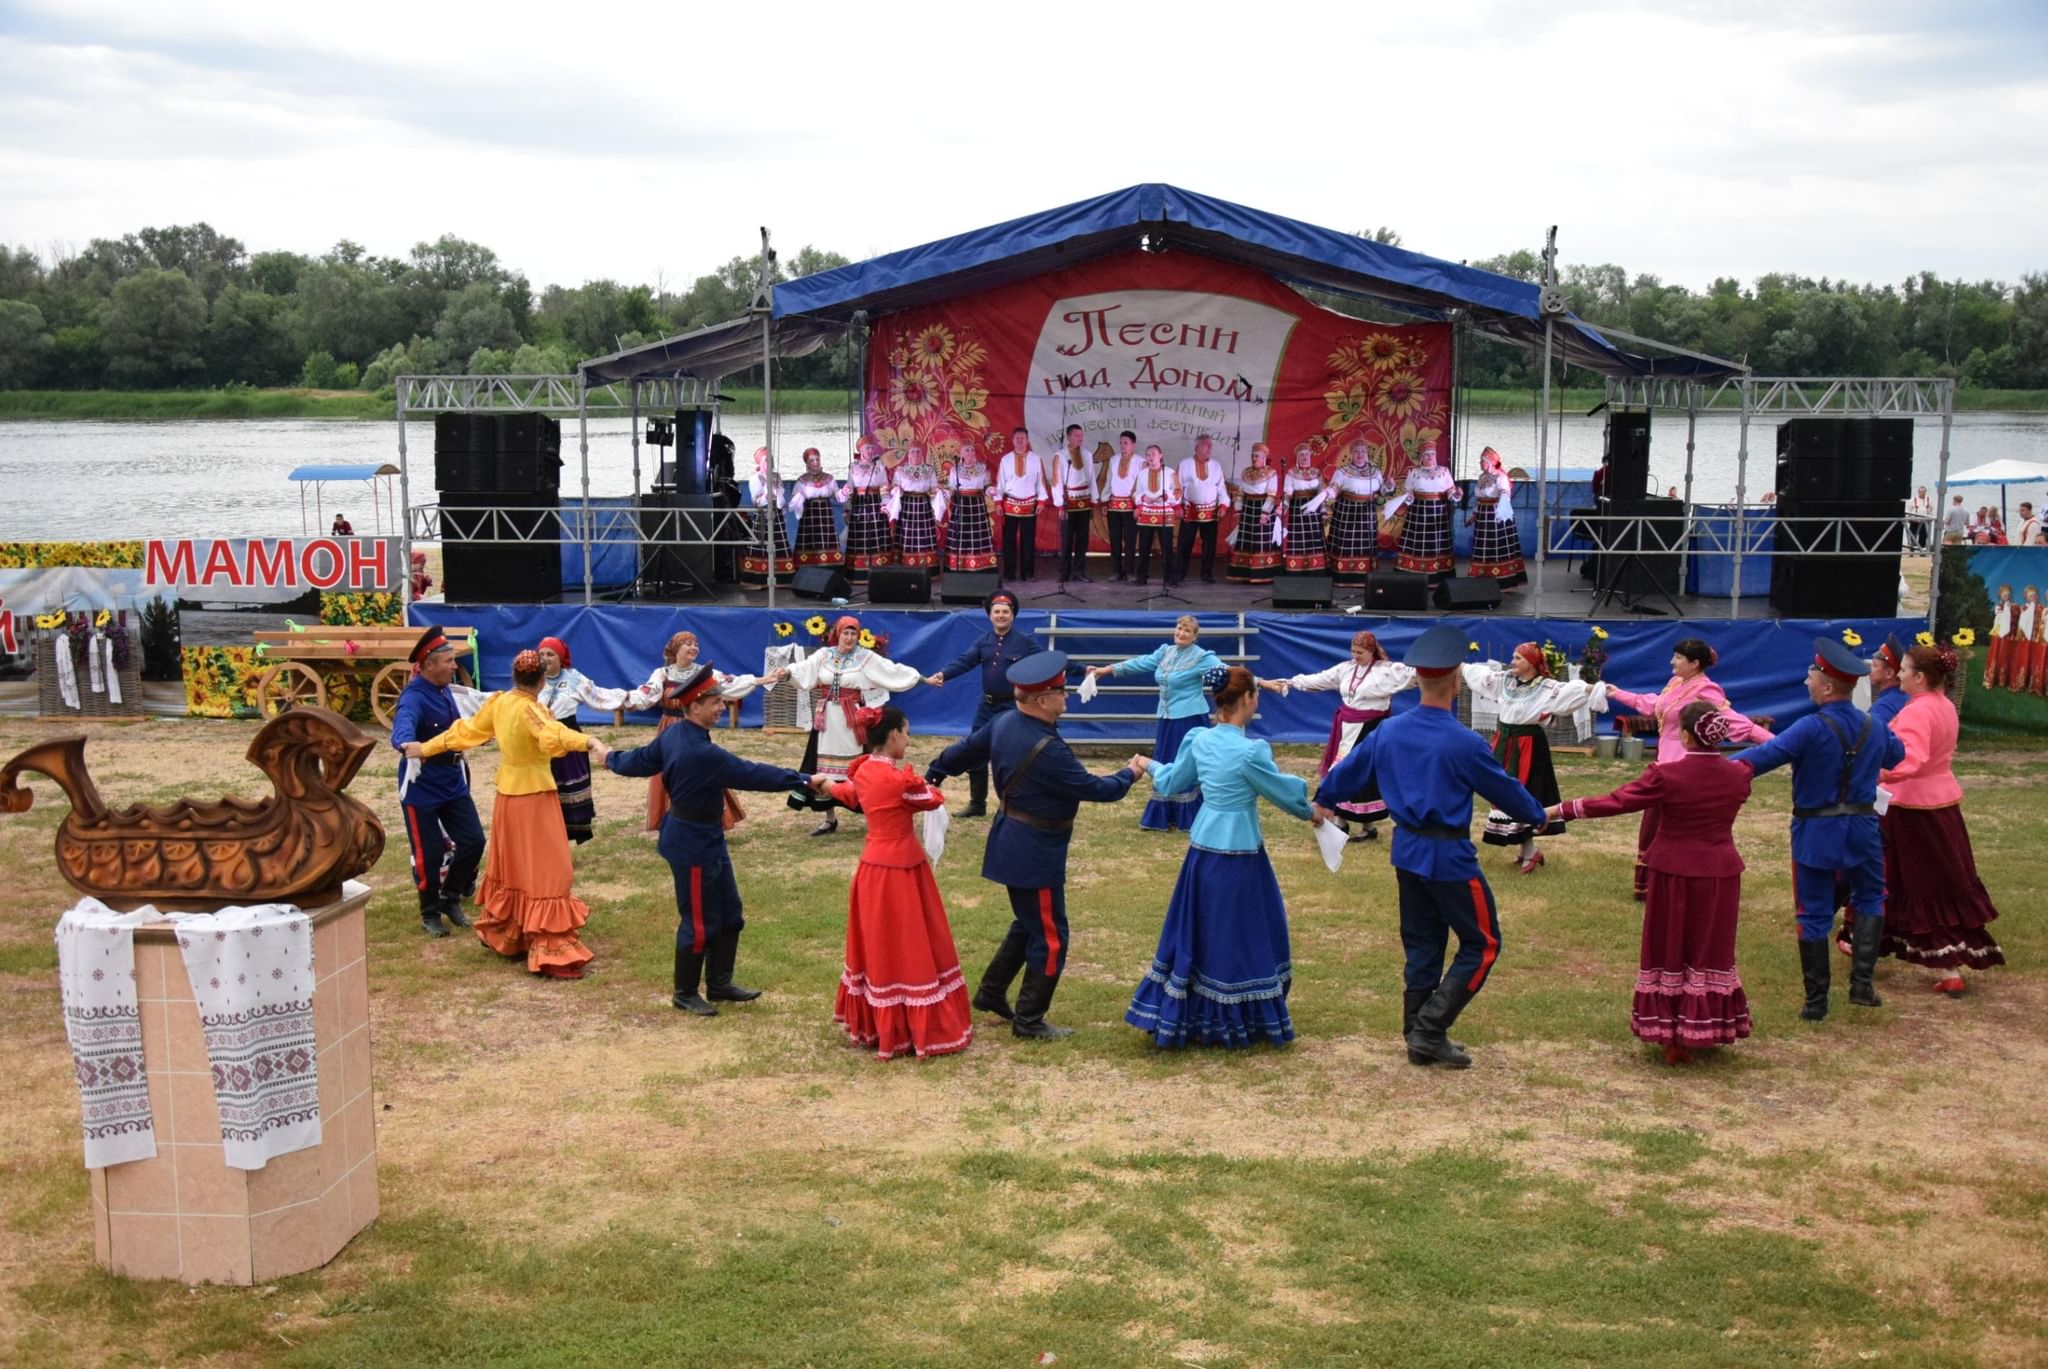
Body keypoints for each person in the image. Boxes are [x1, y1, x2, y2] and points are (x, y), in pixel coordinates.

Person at [1312, 624, 1546, 1069]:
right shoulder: (1463, 742)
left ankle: (1416, 1035)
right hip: (1449, 857)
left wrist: (1323, 798)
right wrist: (1538, 814)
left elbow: (1348, 772)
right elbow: (1506, 790)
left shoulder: (1390, 731)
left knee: (1423, 945)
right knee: (1484, 943)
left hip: (1407, 852)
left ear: (1417, 680)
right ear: (1457, 681)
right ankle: (1430, 1029)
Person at [925, 652, 1144, 1039]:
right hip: (1034, 850)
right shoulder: (1048, 750)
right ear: (1042, 700)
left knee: (1028, 924)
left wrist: (936, 770)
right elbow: (1096, 789)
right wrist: (1130, 773)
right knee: (1051, 936)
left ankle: (993, 992)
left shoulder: (1004, 722)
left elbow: (964, 751)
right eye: (1060, 691)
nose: (1067, 696)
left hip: (1013, 839)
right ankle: (1029, 1020)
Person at [602, 663, 824, 1015]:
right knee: (700, 920)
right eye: (715, 703)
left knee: (730, 913)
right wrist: (805, 780)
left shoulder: (677, 734)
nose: (721, 707)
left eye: (720, 701)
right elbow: (752, 773)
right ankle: (685, 992)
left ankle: (720, 984)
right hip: (691, 843)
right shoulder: (699, 751)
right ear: (694, 706)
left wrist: (610, 758)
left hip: (706, 837)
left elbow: (641, 760)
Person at [1548, 702, 1755, 1063]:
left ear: (1687, 735)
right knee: (1710, 946)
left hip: (1673, 871)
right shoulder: (1738, 776)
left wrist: (1564, 809)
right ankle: (1704, 1025)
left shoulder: (1666, 776)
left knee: (1670, 944)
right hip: (1721, 872)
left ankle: (1671, 1031)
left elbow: (1618, 801)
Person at [1126, 666, 1319, 1049]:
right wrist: (1312, 810)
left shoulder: (1199, 740)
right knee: (1239, 934)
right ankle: (1234, 1016)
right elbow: (1284, 793)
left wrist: (1148, 764)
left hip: (1201, 851)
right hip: (1240, 853)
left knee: (1201, 929)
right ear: (1247, 698)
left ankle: (1192, 1011)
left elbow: (1171, 782)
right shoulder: (1250, 752)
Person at [1734, 637, 1904, 1021]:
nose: (1806, 681)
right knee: (1872, 897)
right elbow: (1898, 753)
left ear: (1828, 685)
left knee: (1812, 912)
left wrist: (1708, 768)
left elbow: (1761, 759)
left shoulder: (1809, 727)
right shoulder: (1873, 725)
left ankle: (1816, 1003)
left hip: (1816, 829)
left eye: (1811, 675)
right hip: (1863, 826)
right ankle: (1861, 985)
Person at [405, 649, 599, 979]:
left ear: (514, 676)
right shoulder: (529, 709)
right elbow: (553, 735)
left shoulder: (500, 703)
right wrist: (589, 742)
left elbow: (463, 732)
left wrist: (425, 747)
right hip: (534, 797)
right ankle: (549, 945)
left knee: (516, 866)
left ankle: (512, 931)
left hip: (508, 796)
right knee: (548, 869)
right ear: (540, 680)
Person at [821, 705, 974, 1058]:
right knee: (911, 940)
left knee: (878, 942)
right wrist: (927, 783)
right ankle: (915, 1022)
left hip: (872, 866)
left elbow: (851, 796)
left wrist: (826, 784)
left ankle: (880, 1020)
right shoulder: (900, 780)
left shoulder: (863, 772)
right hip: (903, 868)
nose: (908, 738)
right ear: (892, 736)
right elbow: (932, 798)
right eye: (905, 732)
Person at [1876, 644, 2005, 995]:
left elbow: (1912, 760)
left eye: (1903, 669)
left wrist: (1880, 774)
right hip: (1939, 802)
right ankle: (1866, 944)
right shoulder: (1943, 705)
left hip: (1913, 808)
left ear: (1919, 677)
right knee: (1929, 879)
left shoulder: (1918, 711)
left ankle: (1945, 965)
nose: (1899, 674)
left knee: (1915, 881)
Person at [1606, 638, 1772, 900]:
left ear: (1695, 664)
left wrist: (1778, 745)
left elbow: (1733, 721)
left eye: (1678, 658)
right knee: (1653, 823)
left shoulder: (1707, 689)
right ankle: (1649, 883)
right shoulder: (1676, 684)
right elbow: (1653, 705)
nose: (1672, 662)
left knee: (1676, 825)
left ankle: (1677, 879)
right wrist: (1617, 693)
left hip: (1685, 763)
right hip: (1665, 761)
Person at [1461, 644, 1611, 873]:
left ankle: (1530, 850)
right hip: (1505, 741)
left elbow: (1570, 690)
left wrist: (1595, 689)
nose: (1513, 661)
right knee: (1504, 793)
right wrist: (1457, 664)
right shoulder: (1505, 680)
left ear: (1531, 662)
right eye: (1513, 656)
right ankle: (1526, 849)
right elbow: (1481, 677)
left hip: (1528, 744)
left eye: (1518, 658)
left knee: (1523, 793)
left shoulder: (1546, 687)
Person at [1264, 630, 1415, 841]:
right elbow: (1320, 679)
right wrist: (1290, 682)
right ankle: (1340, 823)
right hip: (1346, 728)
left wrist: (1444, 669)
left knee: (1362, 775)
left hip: (1371, 729)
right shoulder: (1346, 668)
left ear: (1371, 651)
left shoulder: (1388, 671)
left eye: (1360, 652)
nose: (1355, 656)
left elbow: (1416, 675)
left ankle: (1366, 826)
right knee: (1341, 770)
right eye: (1353, 651)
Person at [784, 615, 923, 836]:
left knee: (864, 768)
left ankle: (875, 816)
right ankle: (829, 819)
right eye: (845, 633)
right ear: (837, 634)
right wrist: (787, 672)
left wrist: (921, 679)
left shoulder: (865, 657)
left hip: (853, 720)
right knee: (822, 768)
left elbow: (891, 670)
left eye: (853, 634)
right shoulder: (823, 655)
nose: (849, 638)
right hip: (827, 719)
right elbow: (804, 668)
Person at [1087, 615, 1225, 832]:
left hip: (1190, 719)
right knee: (1165, 760)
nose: (1181, 633)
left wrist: (1263, 683)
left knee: (1185, 765)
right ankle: (1166, 816)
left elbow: (1230, 673)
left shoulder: (1202, 657)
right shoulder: (1165, 652)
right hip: (1167, 719)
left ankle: (1189, 816)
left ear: (1195, 636)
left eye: (1187, 631)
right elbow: (1139, 663)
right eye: (1179, 628)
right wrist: (1106, 670)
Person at [389, 626, 484, 938]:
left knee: (473, 841)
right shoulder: (414, 697)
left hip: (452, 781)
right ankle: (430, 912)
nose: (454, 666)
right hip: (422, 787)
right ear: (428, 665)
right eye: (448, 661)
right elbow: (403, 726)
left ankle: (450, 897)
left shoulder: (444, 689)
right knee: (428, 853)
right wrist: (406, 744)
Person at [626, 631, 771, 832]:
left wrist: (762, 680)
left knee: (701, 769)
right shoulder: (663, 674)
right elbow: (647, 693)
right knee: (669, 772)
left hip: (693, 725)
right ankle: (670, 820)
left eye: (696, 644)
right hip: (669, 727)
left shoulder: (704, 673)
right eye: (687, 644)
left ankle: (707, 819)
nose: (694, 647)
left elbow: (731, 683)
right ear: (676, 649)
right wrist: (625, 700)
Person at [921, 589, 1043, 818]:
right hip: (986, 708)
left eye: (1005, 612)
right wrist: (943, 675)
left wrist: (1084, 670)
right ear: (989, 616)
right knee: (975, 752)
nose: (1000, 616)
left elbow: (1047, 662)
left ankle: (1015, 805)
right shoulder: (984, 641)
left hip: (1011, 709)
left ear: (1013, 615)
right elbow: (964, 662)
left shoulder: (1025, 642)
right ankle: (978, 804)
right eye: (996, 612)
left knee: (1012, 756)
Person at [533, 635, 635, 845]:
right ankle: (545, 841)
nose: (545, 658)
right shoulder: (533, 679)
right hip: (540, 741)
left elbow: (598, 697)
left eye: (550, 654)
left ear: (561, 657)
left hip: (568, 739)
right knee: (543, 790)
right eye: (541, 654)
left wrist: (629, 698)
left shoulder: (573, 679)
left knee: (567, 790)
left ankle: (563, 841)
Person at [1387, 443, 1456, 579]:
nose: (1430, 457)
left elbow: (1451, 490)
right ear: (1422, 457)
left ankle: (1439, 575)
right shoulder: (1413, 472)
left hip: (1438, 511)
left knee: (1437, 543)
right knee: (1416, 543)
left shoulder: (1444, 471)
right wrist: (1409, 497)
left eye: (1432, 454)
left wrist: (1456, 494)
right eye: (1426, 454)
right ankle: (1413, 574)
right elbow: (1407, 491)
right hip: (1418, 512)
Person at [1465, 448, 1526, 589]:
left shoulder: (1501, 477)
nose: (1480, 463)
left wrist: (1501, 511)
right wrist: (1473, 516)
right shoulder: (1482, 477)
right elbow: (1479, 499)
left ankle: (1502, 582)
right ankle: (1481, 579)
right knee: (1483, 549)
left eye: (1482, 461)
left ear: (1490, 463)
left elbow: (1505, 494)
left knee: (1497, 548)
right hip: (1483, 516)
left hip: (1496, 516)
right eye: (1481, 461)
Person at [996, 425, 1050, 581]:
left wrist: (1041, 501)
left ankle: (1028, 572)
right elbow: (1000, 483)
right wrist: (998, 503)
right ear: (1013, 441)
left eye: (1023, 439)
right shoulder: (1005, 460)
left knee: (1028, 540)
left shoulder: (1036, 459)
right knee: (1009, 541)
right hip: (1010, 504)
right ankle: (1009, 573)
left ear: (1027, 441)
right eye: (1017, 438)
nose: (1020, 441)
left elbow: (1041, 482)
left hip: (1029, 505)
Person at [1174, 434, 1227, 584]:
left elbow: (1221, 487)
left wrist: (1223, 505)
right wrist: (1177, 505)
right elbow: (1177, 486)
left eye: (1210, 445)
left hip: (1210, 511)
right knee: (1185, 543)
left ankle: (1207, 573)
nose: (1209, 447)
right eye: (1206, 444)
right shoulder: (1185, 464)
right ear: (1197, 447)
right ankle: (1179, 573)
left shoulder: (1216, 466)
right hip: (1190, 510)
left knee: (1209, 545)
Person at [1226, 442, 1281, 584]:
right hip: (1248, 508)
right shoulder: (1246, 472)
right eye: (1252, 455)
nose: (1254, 458)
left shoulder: (1271, 473)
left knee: (1261, 540)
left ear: (1263, 458)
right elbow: (1240, 492)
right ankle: (1244, 573)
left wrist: (1265, 513)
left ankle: (1263, 574)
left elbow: (1271, 494)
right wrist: (1238, 510)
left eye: (1257, 456)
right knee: (1247, 540)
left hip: (1263, 508)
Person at [739, 446, 795, 586]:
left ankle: (782, 577)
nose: (769, 463)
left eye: (770, 460)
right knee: (762, 544)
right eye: (765, 460)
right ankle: (759, 578)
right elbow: (756, 500)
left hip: (777, 513)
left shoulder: (776, 476)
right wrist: (767, 493)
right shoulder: (755, 478)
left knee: (779, 543)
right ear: (759, 462)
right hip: (764, 514)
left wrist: (778, 497)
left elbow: (781, 495)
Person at [887, 443, 946, 571]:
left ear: (922, 454)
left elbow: (933, 487)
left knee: (924, 534)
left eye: (918, 452)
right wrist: (897, 489)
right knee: (907, 534)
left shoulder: (929, 470)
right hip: (907, 504)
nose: (915, 454)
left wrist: (938, 489)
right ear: (908, 454)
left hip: (923, 504)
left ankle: (926, 566)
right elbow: (895, 486)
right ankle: (906, 565)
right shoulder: (901, 470)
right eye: (913, 452)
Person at [944, 438, 999, 572]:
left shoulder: (982, 468)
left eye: (972, 450)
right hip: (961, 504)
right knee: (962, 535)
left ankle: (980, 566)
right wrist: (944, 493)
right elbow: (951, 488)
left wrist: (991, 490)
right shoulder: (955, 469)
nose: (970, 452)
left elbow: (986, 486)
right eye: (967, 450)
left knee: (977, 535)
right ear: (961, 454)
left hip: (977, 504)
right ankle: (960, 566)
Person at [843, 437, 893, 581]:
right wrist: (847, 508)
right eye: (867, 448)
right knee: (859, 537)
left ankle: (879, 572)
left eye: (872, 448)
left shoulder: (879, 466)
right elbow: (850, 488)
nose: (870, 451)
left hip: (875, 503)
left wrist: (885, 504)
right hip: (859, 504)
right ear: (860, 450)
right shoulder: (853, 467)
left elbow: (884, 485)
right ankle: (858, 573)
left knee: (876, 537)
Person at [1052, 425, 1098, 584]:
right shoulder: (1060, 456)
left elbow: (1092, 477)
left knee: (1082, 539)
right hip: (1068, 501)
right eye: (1077, 435)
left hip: (1084, 500)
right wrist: (1059, 504)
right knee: (1066, 539)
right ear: (1069, 437)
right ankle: (1064, 572)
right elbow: (1056, 481)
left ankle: (1079, 571)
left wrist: (1094, 500)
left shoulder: (1087, 454)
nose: (1080, 438)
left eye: (1081, 435)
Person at [1130, 444, 1180, 586]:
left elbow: (1178, 492)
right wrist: (1143, 499)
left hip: (1164, 513)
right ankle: (1141, 577)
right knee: (1144, 547)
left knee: (1167, 547)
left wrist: (1165, 497)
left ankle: (1170, 577)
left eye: (1153, 454)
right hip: (1146, 513)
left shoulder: (1170, 473)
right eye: (1148, 455)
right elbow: (1134, 492)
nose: (1150, 457)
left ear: (1161, 455)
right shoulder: (1142, 474)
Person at [1283, 442, 1335, 577]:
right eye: (1302, 455)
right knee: (1299, 538)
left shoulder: (1316, 473)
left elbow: (1322, 492)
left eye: (1306, 454)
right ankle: (1297, 569)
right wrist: (1283, 508)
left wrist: (1323, 511)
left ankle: (1316, 568)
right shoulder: (1291, 473)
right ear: (1297, 457)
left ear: (1310, 456)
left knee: (1314, 537)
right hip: (1298, 508)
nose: (1305, 457)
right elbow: (1287, 493)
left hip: (1314, 508)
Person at [788, 447, 845, 568]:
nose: (816, 462)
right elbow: (795, 499)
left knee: (827, 539)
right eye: (812, 460)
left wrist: (844, 492)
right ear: (807, 463)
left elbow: (837, 495)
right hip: (810, 514)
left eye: (817, 459)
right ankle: (806, 567)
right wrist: (797, 499)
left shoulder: (828, 478)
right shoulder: (802, 480)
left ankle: (830, 566)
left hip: (825, 513)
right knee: (810, 540)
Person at [1102, 430, 1142, 582]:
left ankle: (1130, 571)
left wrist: (1139, 505)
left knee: (1130, 540)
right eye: (1121, 443)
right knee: (1115, 539)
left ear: (1133, 444)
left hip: (1131, 506)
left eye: (1126, 443)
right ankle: (1117, 571)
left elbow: (1142, 484)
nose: (1122, 446)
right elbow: (1108, 480)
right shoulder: (1113, 460)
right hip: (1114, 505)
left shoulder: (1140, 461)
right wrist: (1105, 500)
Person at [1985, 584, 2018, 689]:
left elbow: (2015, 619)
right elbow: (1999, 619)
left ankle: (2004, 679)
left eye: (2008, 595)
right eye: (2004, 595)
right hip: (1999, 634)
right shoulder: (1998, 607)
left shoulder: (2014, 607)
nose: (2007, 597)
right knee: (1997, 654)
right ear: (2001, 596)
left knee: (2007, 655)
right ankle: (1993, 677)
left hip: (2010, 635)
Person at [1907, 486, 1934, 551]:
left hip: (1924, 521)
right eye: (1921, 492)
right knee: (1912, 535)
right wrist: (1909, 518)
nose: (1922, 493)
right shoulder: (1913, 500)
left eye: (1924, 492)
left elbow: (1932, 509)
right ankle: (1912, 549)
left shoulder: (1929, 499)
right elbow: (1908, 510)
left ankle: (1922, 550)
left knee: (1923, 536)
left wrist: (1930, 516)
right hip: (1914, 521)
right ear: (1918, 492)